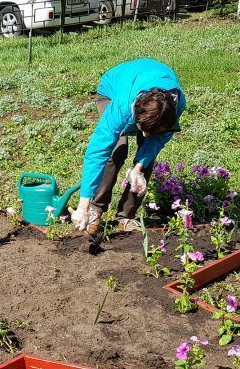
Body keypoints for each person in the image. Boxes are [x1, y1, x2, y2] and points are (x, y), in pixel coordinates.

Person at [73, 58, 186, 242]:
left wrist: (138, 167)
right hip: (112, 90)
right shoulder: (122, 106)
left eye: (150, 131)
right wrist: (82, 204)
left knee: (146, 160)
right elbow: (98, 151)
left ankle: (126, 216)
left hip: (151, 90)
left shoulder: (175, 106)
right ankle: (95, 209)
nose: (144, 134)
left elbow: (158, 139)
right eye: (142, 128)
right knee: (116, 152)